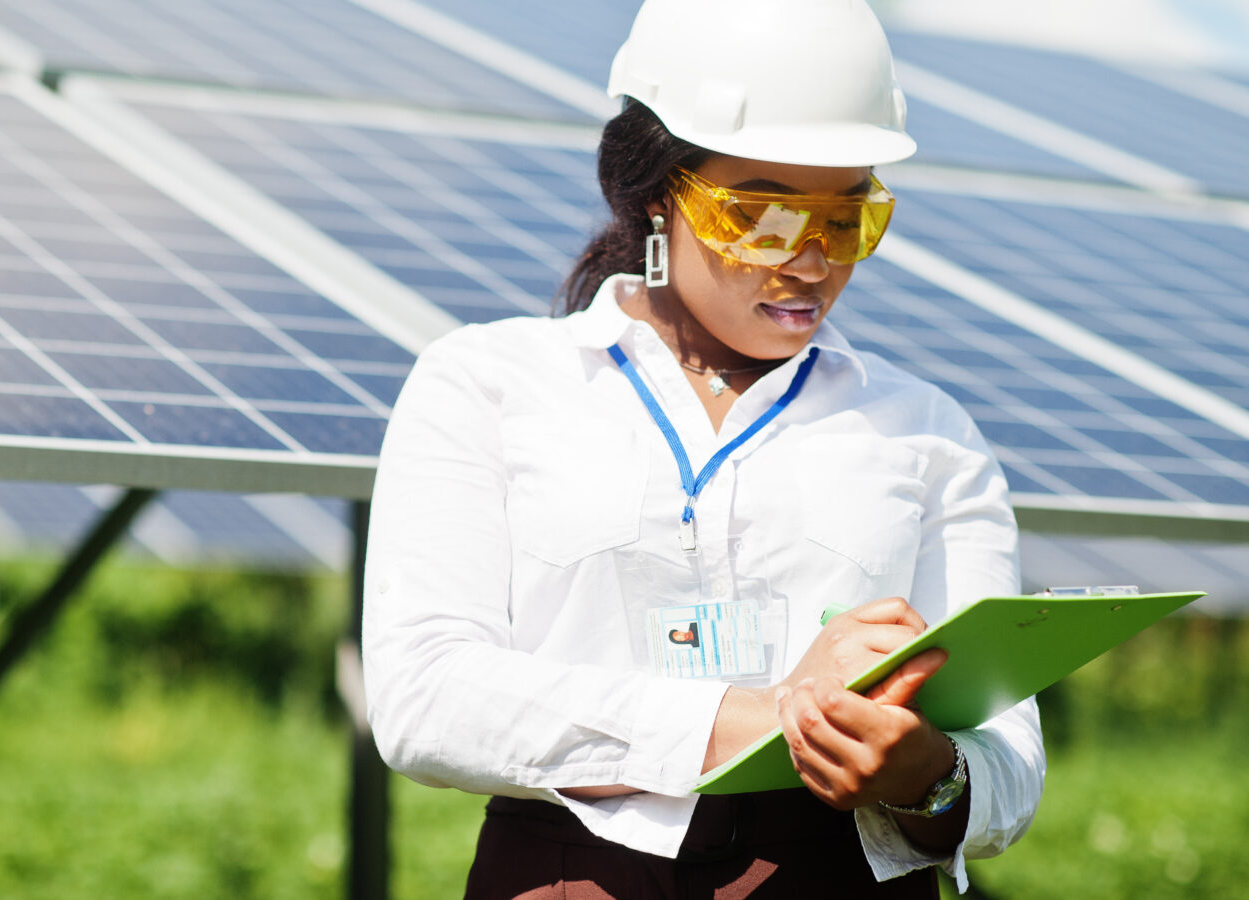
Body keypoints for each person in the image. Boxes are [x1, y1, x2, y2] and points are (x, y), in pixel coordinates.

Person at [361, 0, 1045, 895]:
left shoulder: (924, 432)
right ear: (654, 194)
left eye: (847, 220)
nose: (807, 262)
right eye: (760, 215)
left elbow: (1008, 765)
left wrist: (926, 777)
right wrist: (769, 720)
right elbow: (426, 700)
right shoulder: (490, 384)